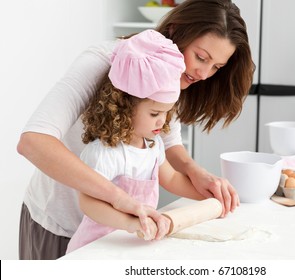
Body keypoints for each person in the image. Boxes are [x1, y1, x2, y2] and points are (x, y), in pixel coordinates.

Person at [17, 0, 254, 259]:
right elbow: (33, 141)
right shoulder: (102, 61)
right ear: (176, 31)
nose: (204, 73)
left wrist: (198, 174)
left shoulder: (171, 76)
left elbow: (168, 142)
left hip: (116, 236)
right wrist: (120, 200)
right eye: (201, 57)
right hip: (59, 226)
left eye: (216, 67)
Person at [66, 29, 206, 254]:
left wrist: (207, 195)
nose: (161, 120)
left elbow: (169, 177)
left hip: (131, 244)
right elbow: (88, 202)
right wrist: (130, 223)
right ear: (124, 107)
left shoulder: (153, 145)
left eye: (166, 113)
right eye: (154, 114)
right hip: (97, 248)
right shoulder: (105, 153)